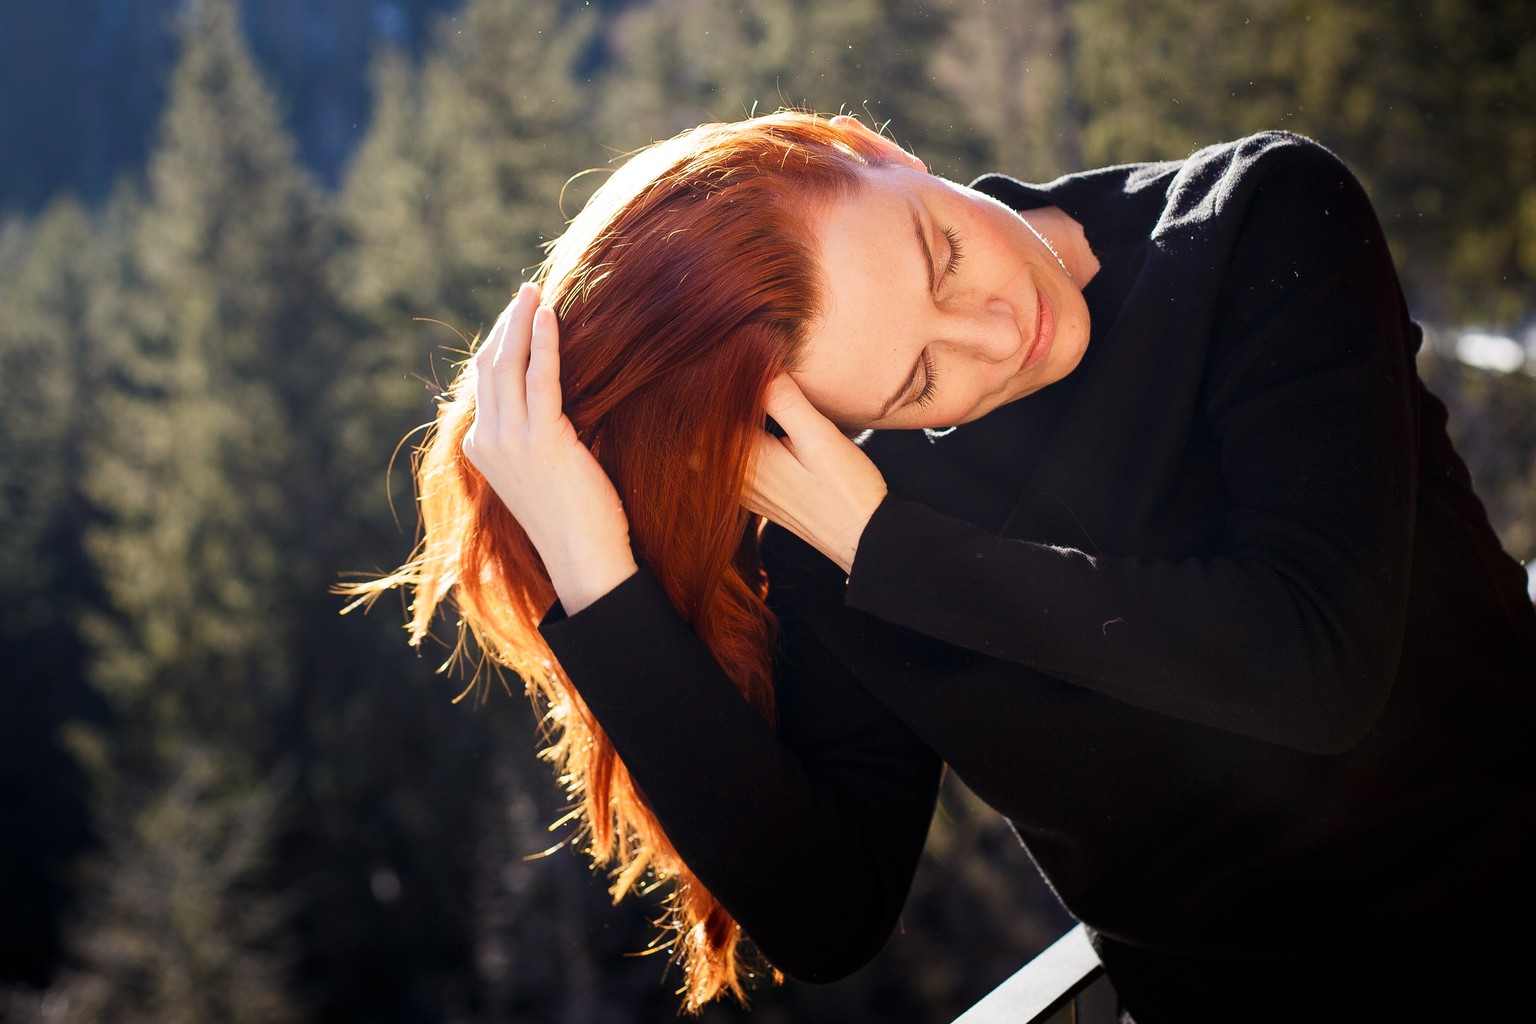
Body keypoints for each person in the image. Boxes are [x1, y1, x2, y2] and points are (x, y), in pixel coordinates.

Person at [351, 111, 1536, 1021]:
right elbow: (827, 911)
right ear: (809, 432)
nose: (992, 328)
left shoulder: (1255, 227)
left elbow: (1314, 664)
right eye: (916, 385)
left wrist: (897, 553)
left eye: (936, 254)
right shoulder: (848, 530)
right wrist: (596, 575)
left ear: (876, 150)